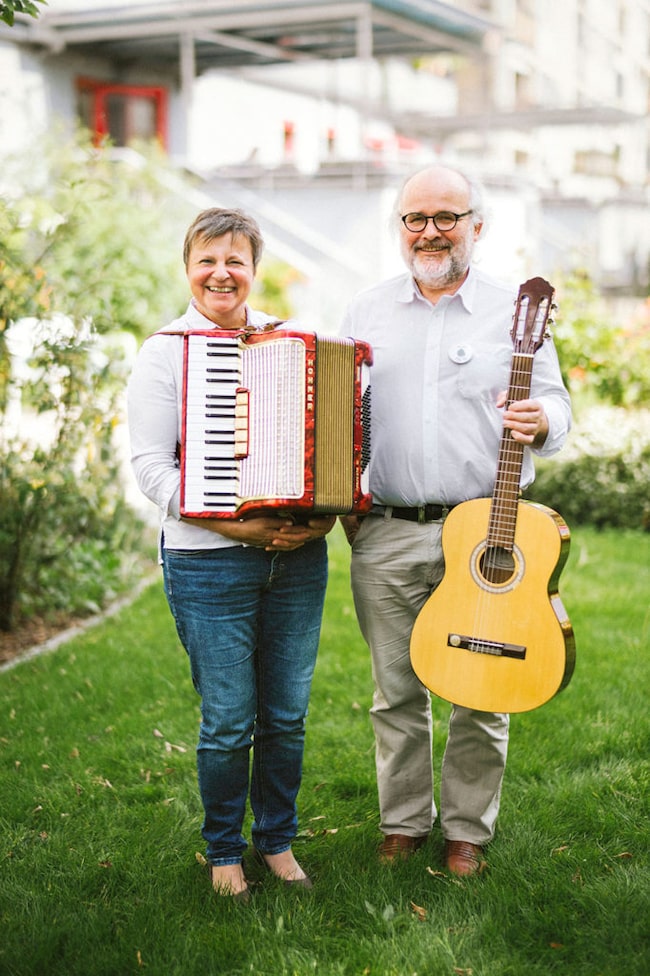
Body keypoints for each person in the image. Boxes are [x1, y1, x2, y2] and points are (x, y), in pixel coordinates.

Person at [339, 165, 571, 876]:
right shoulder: (366, 311)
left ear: (478, 224)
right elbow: (339, 413)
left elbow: (558, 410)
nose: (430, 230)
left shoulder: (515, 312)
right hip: (387, 528)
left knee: (485, 690)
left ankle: (468, 830)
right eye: (415, 218)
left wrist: (542, 420)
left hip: (489, 535)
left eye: (446, 215)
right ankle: (403, 823)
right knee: (395, 690)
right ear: (400, 228)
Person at [127, 208, 335, 902]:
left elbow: (330, 441)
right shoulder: (165, 350)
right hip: (207, 560)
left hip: (298, 559)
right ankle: (223, 847)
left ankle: (275, 840)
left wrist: (326, 512)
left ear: (254, 268)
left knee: (286, 715)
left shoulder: (292, 342)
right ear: (188, 267)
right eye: (207, 260)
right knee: (228, 720)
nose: (222, 273)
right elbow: (152, 469)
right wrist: (233, 526)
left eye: (236, 260)